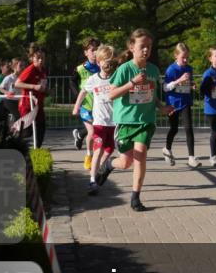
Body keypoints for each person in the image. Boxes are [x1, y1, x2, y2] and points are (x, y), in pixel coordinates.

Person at [94, 29, 173, 212]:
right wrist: (132, 83)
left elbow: (151, 95)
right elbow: (111, 94)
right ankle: (108, 165)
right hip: (125, 122)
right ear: (132, 47)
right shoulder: (124, 69)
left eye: (149, 47)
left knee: (140, 155)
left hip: (145, 121)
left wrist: (161, 107)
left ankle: (135, 197)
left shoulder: (153, 70)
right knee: (125, 162)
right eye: (142, 46)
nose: (146, 50)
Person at [73, 44, 117, 195]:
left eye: (111, 60)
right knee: (98, 150)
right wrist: (76, 107)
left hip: (113, 123)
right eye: (105, 60)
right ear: (98, 62)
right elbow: (83, 92)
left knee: (110, 149)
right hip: (99, 122)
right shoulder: (93, 79)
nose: (108, 63)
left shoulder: (116, 77)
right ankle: (92, 180)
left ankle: (98, 171)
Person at [163, 42, 198, 168]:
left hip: (185, 102)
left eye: (187, 57)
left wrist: (192, 85)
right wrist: (179, 81)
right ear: (175, 56)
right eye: (183, 57)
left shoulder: (189, 68)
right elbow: (165, 88)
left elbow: (188, 82)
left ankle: (191, 158)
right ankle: (167, 149)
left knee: (189, 129)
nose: (185, 60)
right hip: (173, 104)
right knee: (174, 128)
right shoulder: (171, 69)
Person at [73, 38, 101, 170]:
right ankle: (89, 156)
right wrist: (78, 98)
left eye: (97, 49)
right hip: (86, 105)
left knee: (97, 131)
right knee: (92, 131)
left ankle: (79, 135)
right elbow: (72, 83)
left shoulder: (103, 67)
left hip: (99, 106)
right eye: (92, 50)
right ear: (86, 52)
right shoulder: (79, 69)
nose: (95, 52)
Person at [14, 48, 48, 146]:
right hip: (27, 105)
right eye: (38, 58)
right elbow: (17, 84)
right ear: (33, 59)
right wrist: (33, 87)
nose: (40, 60)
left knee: (41, 128)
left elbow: (42, 86)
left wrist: (47, 90)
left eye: (42, 58)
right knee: (27, 131)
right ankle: (13, 140)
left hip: (38, 105)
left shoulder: (43, 70)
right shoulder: (30, 69)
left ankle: (36, 151)